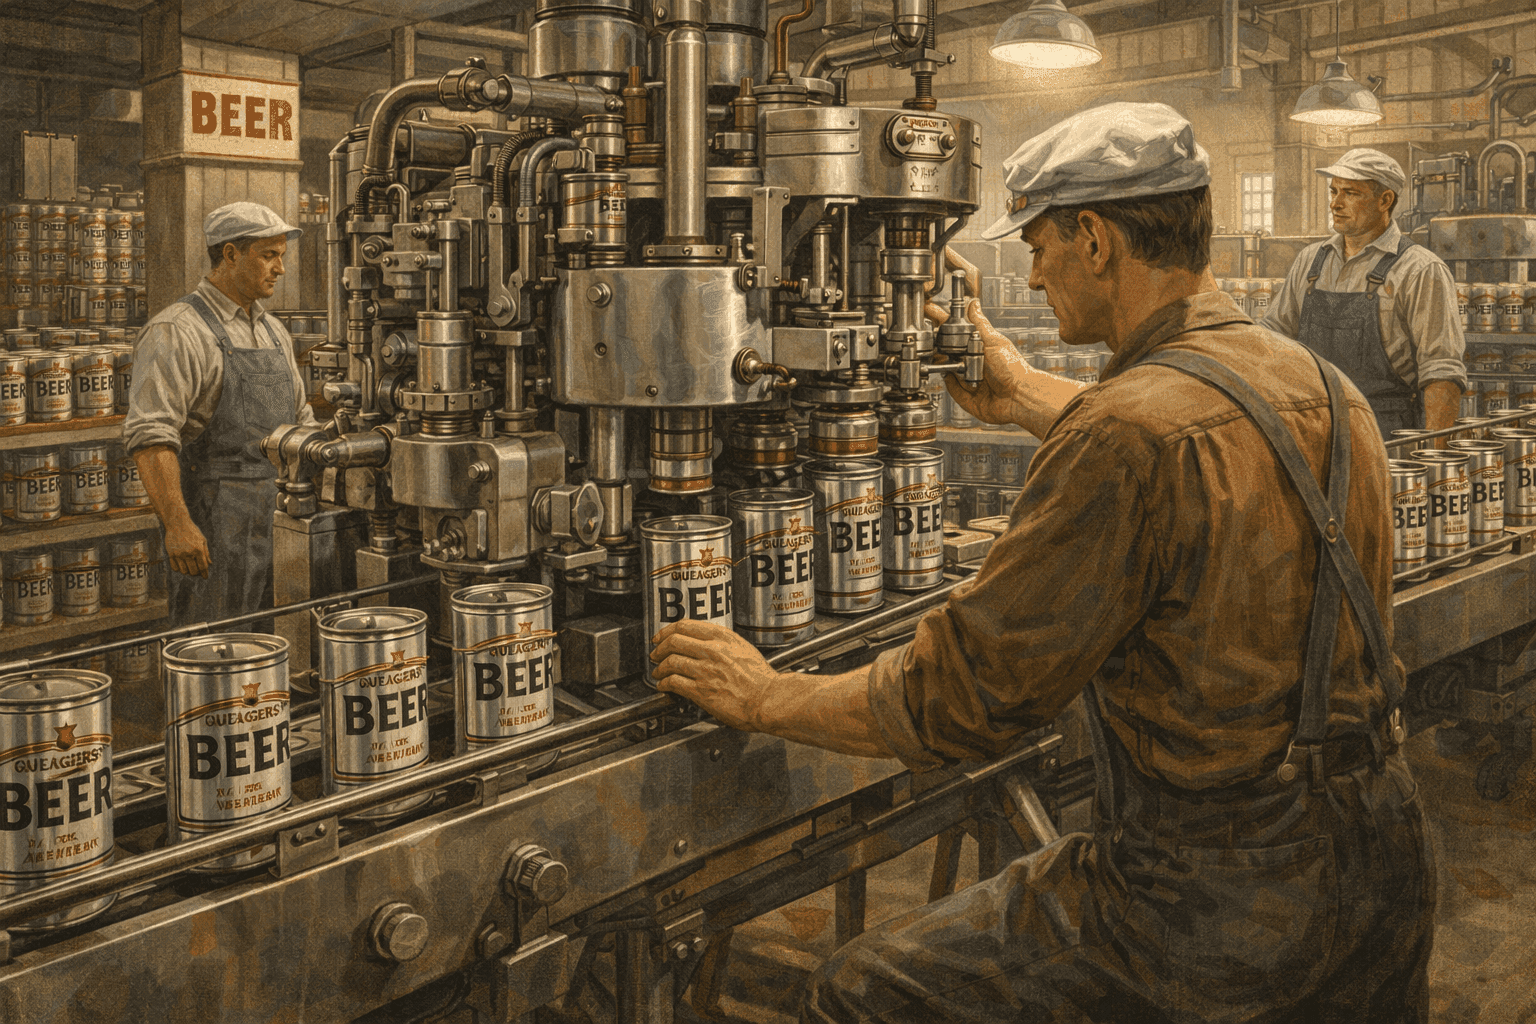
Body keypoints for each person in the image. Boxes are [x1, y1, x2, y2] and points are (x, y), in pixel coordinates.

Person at [651, 103, 1434, 1023]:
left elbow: (960, 699)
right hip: (1384, 856)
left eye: (1038, 246)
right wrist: (1021, 391)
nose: (1032, 272)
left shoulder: (1126, 435)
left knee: (860, 993)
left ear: (1096, 239)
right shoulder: (1325, 389)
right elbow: (1196, 450)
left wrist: (761, 695)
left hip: (1210, 904)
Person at [126, 201, 317, 626]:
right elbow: (151, 439)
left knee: (276, 639)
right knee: (212, 647)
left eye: (281, 256)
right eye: (269, 255)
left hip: (282, 513)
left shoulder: (273, 330)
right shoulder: (176, 331)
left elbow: (301, 417)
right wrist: (177, 524)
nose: (280, 269)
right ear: (229, 254)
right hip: (215, 520)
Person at [1261, 147, 1466, 436]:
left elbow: (1441, 372)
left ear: (1385, 200)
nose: (1336, 204)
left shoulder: (1420, 269)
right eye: (1333, 192)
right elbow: (1273, 334)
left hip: (1386, 434)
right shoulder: (1311, 260)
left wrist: (1434, 457)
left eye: (1351, 193)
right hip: (1313, 430)